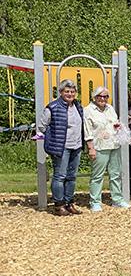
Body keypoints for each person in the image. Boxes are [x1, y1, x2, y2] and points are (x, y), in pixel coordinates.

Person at [38, 78, 85, 215]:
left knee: (72, 176)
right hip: (61, 147)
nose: (70, 94)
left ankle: (69, 202)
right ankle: (59, 205)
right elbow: (42, 126)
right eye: (67, 91)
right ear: (61, 92)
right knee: (60, 175)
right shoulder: (52, 107)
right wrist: (52, 139)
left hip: (76, 145)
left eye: (72, 91)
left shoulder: (77, 106)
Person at [84, 86, 128, 211]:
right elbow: (87, 131)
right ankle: (95, 201)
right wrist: (90, 148)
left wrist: (118, 126)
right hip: (99, 146)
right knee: (97, 175)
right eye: (100, 96)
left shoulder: (110, 108)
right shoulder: (88, 110)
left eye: (105, 96)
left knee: (115, 174)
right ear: (95, 97)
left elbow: (114, 122)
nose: (103, 99)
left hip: (114, 144)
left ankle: (117, 199)